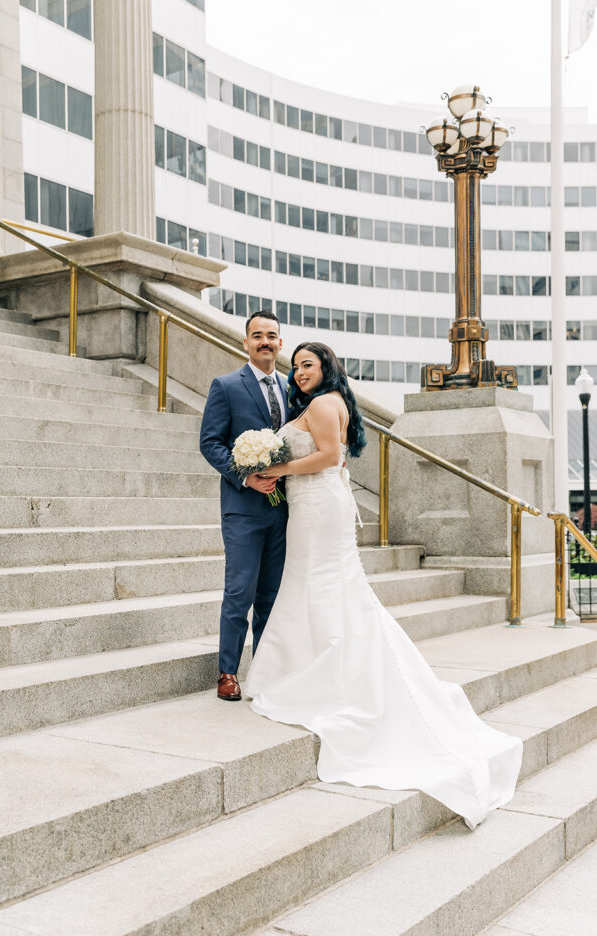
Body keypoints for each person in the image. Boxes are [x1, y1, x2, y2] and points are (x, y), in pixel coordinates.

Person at [245, 341, 522, 830]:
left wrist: (277, 467)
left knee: (326, 586)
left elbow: (330, 457)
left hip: (319, 506)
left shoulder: (326, 404)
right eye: (298, 366)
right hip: (309, 505)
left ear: (327, 368)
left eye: (309, 364)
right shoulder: (315, 405)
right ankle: (306, 663)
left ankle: (326, 671)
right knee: (311, 584)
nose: (301, 371)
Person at [199, 311, 289, 701]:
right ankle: (228, 672)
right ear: (246, 343)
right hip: (242, 508)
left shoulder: (293, 389)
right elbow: (210, 442)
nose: (264, 341)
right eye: (257, 336)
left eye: (271, 335)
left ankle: (265, 670)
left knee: (272, 594)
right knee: (240, 592)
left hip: (284, 509)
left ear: (280, 343)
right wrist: (245, 476)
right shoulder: (226, 386)